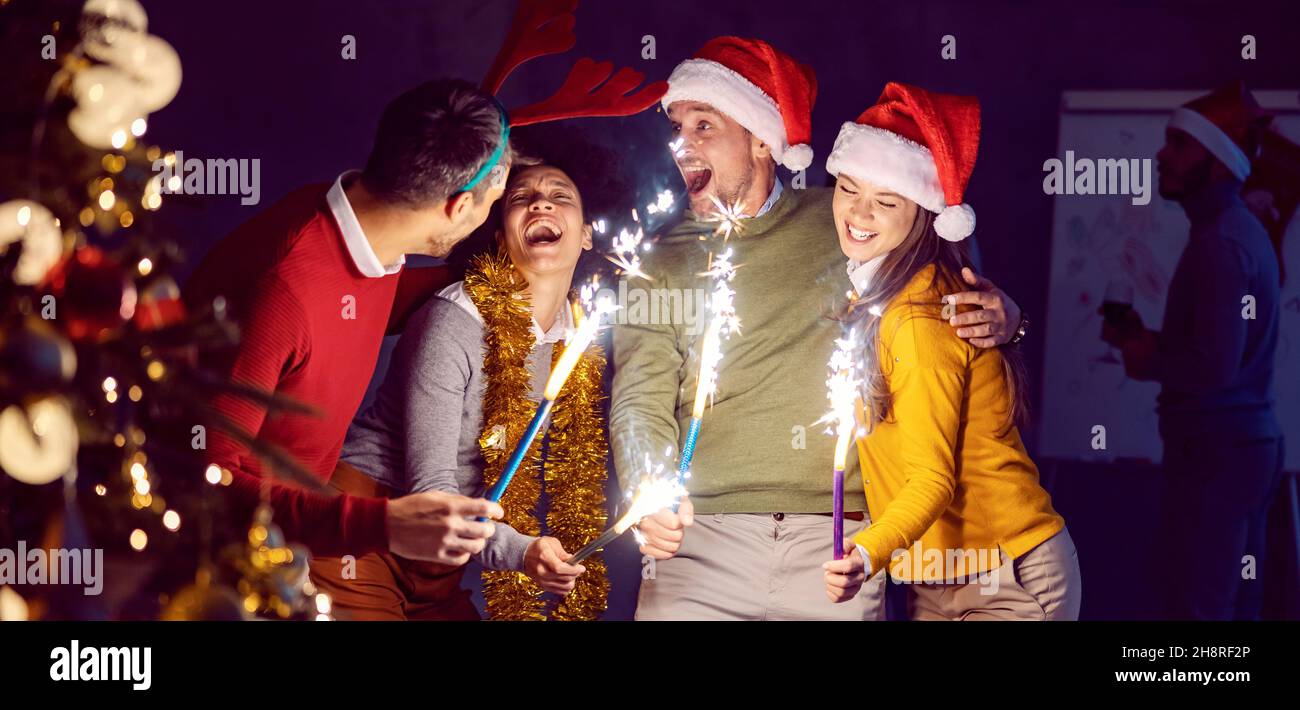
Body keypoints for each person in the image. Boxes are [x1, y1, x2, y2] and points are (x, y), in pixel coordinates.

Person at [610, 37, 1026, 620]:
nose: (683, 143)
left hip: (838, 542)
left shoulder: (847, 219)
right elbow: (639, 401)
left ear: (761, 139)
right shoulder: (656, 261)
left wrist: (1009, 319)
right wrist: (648, 493)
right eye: (677, 125)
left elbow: (944, 288)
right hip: (699, 539)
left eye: (704, 124)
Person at [183, 79, 511, 568]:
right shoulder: (284, 293)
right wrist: (380, 525)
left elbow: (348, 313)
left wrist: (504, 273)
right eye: (490, 206)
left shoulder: (360, 218)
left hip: (288, 542)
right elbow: (203, 478)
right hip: (220, 561)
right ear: (458, 207)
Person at [817, 82, 1080, 620]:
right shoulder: (877, 292)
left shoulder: (914, 316)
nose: (858, 212)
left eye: (886, 200)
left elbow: (932, 478)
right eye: (847, 188)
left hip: (1007, 568)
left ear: (922, 212)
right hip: (936, 574)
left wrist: (866, 552)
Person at [322, 145, 613, 620]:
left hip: (441, 559)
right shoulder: (454, 321)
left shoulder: (574, 340)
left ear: (585, 234)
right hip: (368, 527)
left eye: (560, 195)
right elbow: (430, 491)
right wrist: (522, 552)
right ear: (500, 237)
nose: (541, 203)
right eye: (522, 197)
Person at [1102, 82, 1283, 620]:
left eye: (1181, 145)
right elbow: (1217, 353)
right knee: (1225, 602)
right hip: (1232, 450)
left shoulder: (1221, 244)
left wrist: (1145, 356)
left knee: (1202, 610)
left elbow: (1213, 368)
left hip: (1218, 456)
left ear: (1221, 162)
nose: (1163, 156)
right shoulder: (1226, 231)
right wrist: (1148, 341)